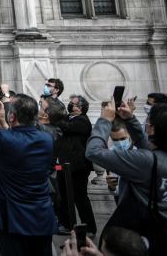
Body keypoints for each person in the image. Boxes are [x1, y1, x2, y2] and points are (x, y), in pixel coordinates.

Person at [87, 101, 167, 256]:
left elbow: (93, 152)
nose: (146, 126)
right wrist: (130, 119)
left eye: (149, 124)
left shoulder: (146, 161)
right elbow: (147, 145)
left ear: (155, 131)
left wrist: (104, 120)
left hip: (156, 240)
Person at [0, 87, 56, 256]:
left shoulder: (2, 139)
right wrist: (6, 124)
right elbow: (20, 141)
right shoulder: (46, 139)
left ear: (12, 116)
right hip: (41, 213)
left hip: (13, 216)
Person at [59, 95, 96, 236]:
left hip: (78, 166)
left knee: (80, 197)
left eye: (73, 104)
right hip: (65, 165)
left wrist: (58, 117)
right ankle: (67, 225)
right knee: (65, 196)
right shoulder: (69, 119)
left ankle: (90, 227)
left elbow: (67, 128)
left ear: (80, 108)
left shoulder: (82, 121)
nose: (70, 106)